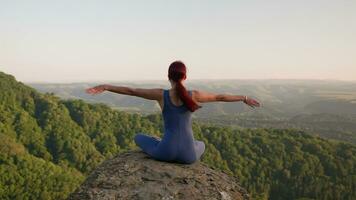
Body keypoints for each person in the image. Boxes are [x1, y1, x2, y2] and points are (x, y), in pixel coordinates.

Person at [86, 61, 260, 164]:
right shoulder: (194, 95)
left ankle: (159, 142)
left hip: (165, 152)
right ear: (185, 77)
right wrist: (243, 97)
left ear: (168, 76)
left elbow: (132, 91)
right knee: (202, 144)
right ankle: (167, 143)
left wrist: (106, 87)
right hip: (189, 156)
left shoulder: (161, 95)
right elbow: (221, 97)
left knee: (139, 137)